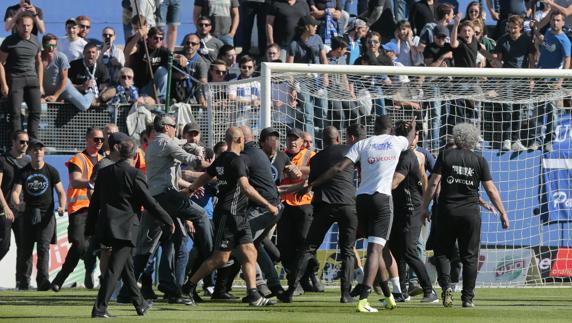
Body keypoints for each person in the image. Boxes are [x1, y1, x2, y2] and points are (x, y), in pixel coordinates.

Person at [310, 115, 417, 313]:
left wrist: (313, 184)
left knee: (377, 248)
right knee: (376, 250)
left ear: (373, 128)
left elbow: (338, 167)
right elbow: (410, 139)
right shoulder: (396, 141)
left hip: (362, 200)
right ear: (391, 129)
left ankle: (387, 296)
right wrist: (413, 125)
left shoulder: (363, 144)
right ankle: (364, 299)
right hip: (382, 199)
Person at [183, 127, 279, 307]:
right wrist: (268, 205)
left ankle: (253, 294)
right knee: (221, 258)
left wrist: (190, 189)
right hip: (230, 215)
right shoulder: (237, 161)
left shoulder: (222, 159)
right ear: (240, 140)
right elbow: (246, 187)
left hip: (238, 215)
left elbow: (206, 176)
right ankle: (188, 287)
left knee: (250, 252)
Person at [421, 123, 509, 308]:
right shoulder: (479, 160)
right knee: (470, 256)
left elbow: (434, 182)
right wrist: (502, 212)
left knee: (443, 253)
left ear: (457, 137)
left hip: (447, 211)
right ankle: (467, 298)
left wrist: (424, 207)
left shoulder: (445, 155)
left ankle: (447, 291)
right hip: (470, 214)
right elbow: (491, 190)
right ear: (473, 140)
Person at [88, 138, 175, 318]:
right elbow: (149, 202)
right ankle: (99, 308)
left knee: (126, 267)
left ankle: (140, 303)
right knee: (115, 269)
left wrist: (90, 228)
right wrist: (167, 219)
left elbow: (94, 202)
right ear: (135, 155)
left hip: (106, 226)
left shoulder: (104, 173)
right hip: (126, 228)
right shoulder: (135, 174)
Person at [283, 126, 357, 303]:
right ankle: (345, 294)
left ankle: (291, 290)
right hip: (347, 204)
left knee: (308, 248)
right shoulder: (350, 151)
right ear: (338, 138)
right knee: (347, 251)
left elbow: (313, 182)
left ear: (322, 141)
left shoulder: (316, 159)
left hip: (325, 205)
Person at [50, 128, 104, 292]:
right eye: (96, 139)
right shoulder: (78, 159)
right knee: (80, 245)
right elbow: (75, 181)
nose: (99, 142)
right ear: (87, 139)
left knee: (101, 246)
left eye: (101, 139)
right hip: (79, 209)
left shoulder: (104, 160)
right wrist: (91, 184)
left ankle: (60, 280)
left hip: (99, 209)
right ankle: (88, 266)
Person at [388, 124, 437, 303]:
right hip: (398, 209)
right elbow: (424, 179)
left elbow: (396, 181)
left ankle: (429, 290)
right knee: (397, 250)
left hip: (411, 210)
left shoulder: (410, 156)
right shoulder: (398, 154)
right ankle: (401, 292)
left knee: (409, 251)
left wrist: (425, 207)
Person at [11, 139, 66, 291]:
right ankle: (23, 282)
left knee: (43, 248)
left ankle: (43, 282)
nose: (38, 152)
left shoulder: (51, 170)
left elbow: (61, 191)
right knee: (25, 249)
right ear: (30, 152)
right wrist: (18, 203)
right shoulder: (24, 172)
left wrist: (62, 206)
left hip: (46, 215)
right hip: (28, 214)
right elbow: (16, 192)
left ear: (44, 153)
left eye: (41, 150)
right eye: (35, 150)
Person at [493, 15, 534, 152]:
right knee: (507, 110)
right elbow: (498, 62)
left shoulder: (527, 40)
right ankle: (507, 139)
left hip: (522, 80)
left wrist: (532, 78)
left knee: (518, 111)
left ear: (521, 27)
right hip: (506, 80)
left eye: (514, 27)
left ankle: (516, 140)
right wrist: (498, 82)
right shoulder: (502, 40)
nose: (511, 30)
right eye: (509, 27)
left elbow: (531, 61)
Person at [532, 10, 571, 153]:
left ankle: (549, 140)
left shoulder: (564, 40)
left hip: (553, 79)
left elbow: (567, 60)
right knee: (537, 110)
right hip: (541, 76)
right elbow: (539, 37)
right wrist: (536, 34)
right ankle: (536, 140)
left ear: (562, 22)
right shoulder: (547, 32)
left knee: (552, 112)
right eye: (553, 20)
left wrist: (561, 80)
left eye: (558, 20)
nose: (555, 22)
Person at [0, 12, 43, 140]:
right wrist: (4, 85)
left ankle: (33, 142)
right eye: (23, 25)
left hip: (32, 80)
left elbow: (39, 63)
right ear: (17, 26)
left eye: (29, 25)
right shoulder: (9, 41)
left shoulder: (36, 40)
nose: (26, 28)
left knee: (36, 112)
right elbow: (0, 63)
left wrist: (40, 85)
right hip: (15, 79)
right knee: (15, 113)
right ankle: (18, 142)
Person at [0, 131, 31, 289]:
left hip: (22, 210)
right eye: (21, 142)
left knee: (25, 247)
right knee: (4, 246)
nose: (25, 145)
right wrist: (5, 207)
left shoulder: (28, 161)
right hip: (4, 209)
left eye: (26, 142)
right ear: (13, 142)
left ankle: (23, 283)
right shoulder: (3, 160)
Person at [125, 27, 170, 103]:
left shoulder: (163, 51)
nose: (158, 41)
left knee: (162, 71)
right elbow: (127, 52)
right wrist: (137, 36)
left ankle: (162, 100)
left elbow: (174, 57)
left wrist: (181, 57)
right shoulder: (141, 47)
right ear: (148, 38)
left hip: (151, 86)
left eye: (161, 39)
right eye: (155, 38)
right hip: (138, 86)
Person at [68, 42, 116, 108]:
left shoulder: (102, 67)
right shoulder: (74, 65)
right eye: (88, 52)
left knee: (113, 90)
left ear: (97, 54)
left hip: (98, 97)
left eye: (93, 52)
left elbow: (105, 85)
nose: (91, 54)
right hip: (80, 95)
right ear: (84, 53)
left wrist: (100, 97)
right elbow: (67, 85)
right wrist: (81, 87)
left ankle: (97, 102)